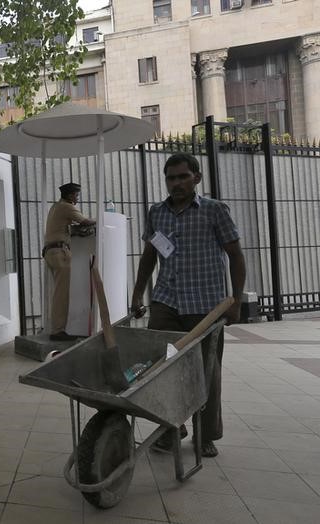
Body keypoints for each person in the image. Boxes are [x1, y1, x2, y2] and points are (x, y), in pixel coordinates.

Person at [131, 153, 246, 458]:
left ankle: (205, 435)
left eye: (183, 177)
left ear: (196, 178)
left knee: (206, 372)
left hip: (206, 306)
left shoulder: (214, 211)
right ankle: (171, 429)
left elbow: (235, 255)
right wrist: (138, 293)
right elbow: (149, 257)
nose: (177, 183)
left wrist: (236, 300)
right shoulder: (156, 213)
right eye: (171, 178)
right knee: (163, 369)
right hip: (166, 302)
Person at [43, 182, 96, 341]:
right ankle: (58, 330)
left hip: (51, 251)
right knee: (62, 294)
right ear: (70, 195)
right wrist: (102, 217)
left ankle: (56, 328)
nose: (77, 197)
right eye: (76, 194)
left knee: (58, 292)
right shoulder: (67, 207)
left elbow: (65, 227)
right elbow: (85, 222)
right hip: (60, 252)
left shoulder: (55, 207)